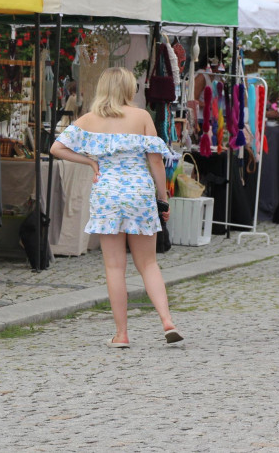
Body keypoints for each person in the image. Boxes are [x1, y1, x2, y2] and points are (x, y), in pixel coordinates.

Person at [50, 67, 182, 347]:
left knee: (114, 267)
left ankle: (121, 334)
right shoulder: (141, 116)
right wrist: (163, 199)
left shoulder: (88, 119)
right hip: (139, 192)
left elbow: (56, 148)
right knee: (148, 263)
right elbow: (156, 161)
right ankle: (166, 320)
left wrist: (90, 161)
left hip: (106, 193)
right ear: (127, 89)